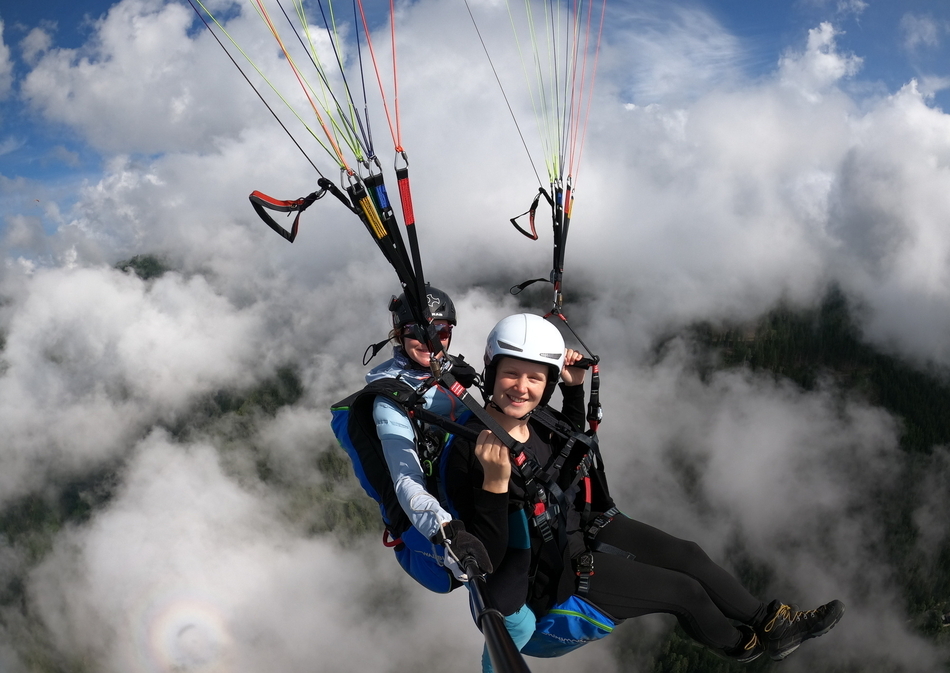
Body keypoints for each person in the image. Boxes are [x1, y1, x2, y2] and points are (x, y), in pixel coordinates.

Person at [444, 313, 845, 669]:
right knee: (683, 591)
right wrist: (494, 487)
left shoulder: (539, 416)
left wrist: (573, 389)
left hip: (583, 523)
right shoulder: (470, 450)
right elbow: (488, 559)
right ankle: (743, 645)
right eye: (511, 374)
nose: (521, 388)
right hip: (551, 572)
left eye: (535, 377)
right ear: (491, 372)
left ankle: (775, 624)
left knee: (688, 555)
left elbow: (565, 450)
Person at [364, 285, 489, 584]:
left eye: (441, 331)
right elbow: (406, 477)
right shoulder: (390, 399)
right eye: (415, 331)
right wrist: (446, 531)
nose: (428, 340)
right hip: (443, 508)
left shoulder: (448, 372)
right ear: (399, 335)